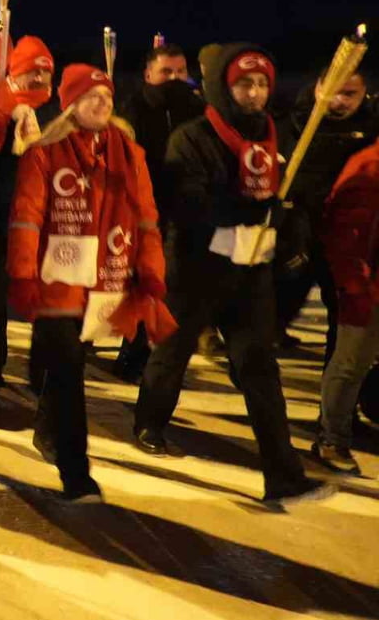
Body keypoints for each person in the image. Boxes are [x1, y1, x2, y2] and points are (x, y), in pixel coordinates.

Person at [133, 43, 334, 506]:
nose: (255, 92)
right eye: (245, 84)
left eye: (262, 83)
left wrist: (288, 228)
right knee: (173, 352)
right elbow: (189, 205)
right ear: (225, 87)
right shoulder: (193, 137)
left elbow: (292, 201)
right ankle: (149, 422)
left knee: (259, 368)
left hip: (251, 275)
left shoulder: (275, 137)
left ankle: (283, 476)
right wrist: (252, 210)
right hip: (196, 270)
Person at [7, 64, 170, 502]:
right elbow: (26, 218)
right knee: (67, 371)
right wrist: (22, 275)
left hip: (105, 279)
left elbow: (146, 216)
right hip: (57, 280)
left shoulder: (129, 154)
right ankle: (76, 472)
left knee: (71, 363)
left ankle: (47, 433)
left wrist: (151, 269)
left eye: (108, 97)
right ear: (71, 104)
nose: (102, 103)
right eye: (91, 96)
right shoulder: (44, 153)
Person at [0, 35, 58, 389]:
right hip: (0, 217)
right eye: (31, 71)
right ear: (14, 73)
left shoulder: (56, 111)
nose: (38, 78)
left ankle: (42, 371)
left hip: (47, 221)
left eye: (44, 72)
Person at [112, 42, 205, 380]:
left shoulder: (198, 109)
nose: (175, 79)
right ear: (149, 74)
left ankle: (168, 355)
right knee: (142, 283)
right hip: (145, 211)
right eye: (167, 72)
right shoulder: (134, 108)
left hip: (186, 211)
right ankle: (132, 355)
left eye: (181, 72)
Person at [275, 68, 376, 354]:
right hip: (297, 229)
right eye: (334, 91)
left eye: (350, 94)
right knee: (283, 298)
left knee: (340, 307)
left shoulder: (370, 128)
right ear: (318, 87)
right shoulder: (292, 121)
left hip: (344, 234)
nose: (340, 100)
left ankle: (336, 371)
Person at [316, 137, 379, 474]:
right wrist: (355, 283)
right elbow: (345, 233)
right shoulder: (369, 166)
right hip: (367, 289)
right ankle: (332, 439)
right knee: (351, 362)